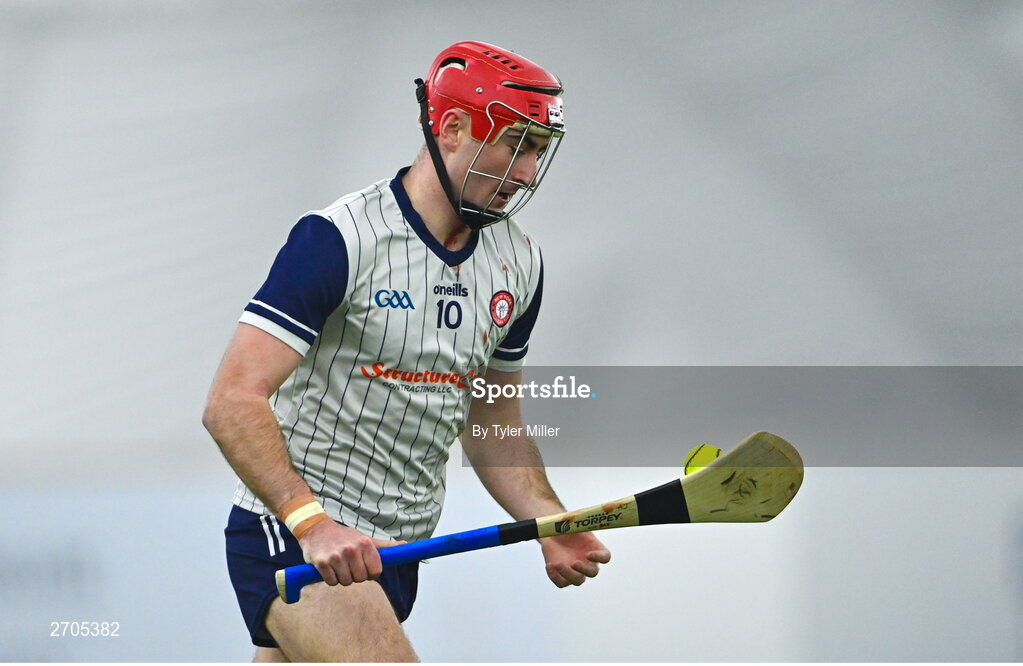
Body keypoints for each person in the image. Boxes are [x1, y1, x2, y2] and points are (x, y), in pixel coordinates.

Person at [203, 40, 611, 662]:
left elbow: (492, 421)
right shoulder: (339, 240)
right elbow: (232, 401)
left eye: (538, 151)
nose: (528, 172)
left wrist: (549, 524)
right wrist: (311, 523)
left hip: (397, 553)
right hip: (297, 536)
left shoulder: (520, 263)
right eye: (516, 145)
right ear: (452, 128)